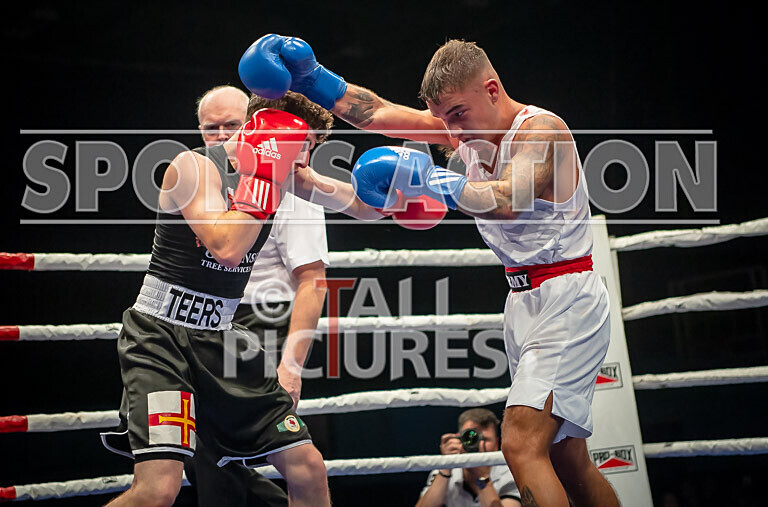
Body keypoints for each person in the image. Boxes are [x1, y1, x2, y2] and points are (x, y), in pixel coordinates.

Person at [240, 35, 619, 507]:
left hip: (568, 297)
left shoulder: (541, 132)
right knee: (567, 460)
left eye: (457, 114)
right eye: (441, 118)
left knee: (520, 444)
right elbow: (374, 114)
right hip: (524, 300)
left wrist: (431, 177)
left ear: (493, 89)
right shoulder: (459, 128)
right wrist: (311, 83)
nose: (449, 130)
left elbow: (507, 199)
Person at [100, 91, 388, 507]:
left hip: (220, 339)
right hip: (160, 342)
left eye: (307, 150)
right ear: (270, 136)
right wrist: (267, 175)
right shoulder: (193, 167)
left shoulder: (288, 173)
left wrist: (404, 195)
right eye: (299, 148)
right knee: (158, 490)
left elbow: (362, 207)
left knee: (308, 468)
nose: (304, 162)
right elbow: (226, 245)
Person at [187, 85, 331, 507]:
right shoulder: (201, 181)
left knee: (302, 466)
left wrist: (291, 366)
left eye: (232, 125)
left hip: (258, 328)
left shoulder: (288, 180)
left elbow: (313, 280)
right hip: (199, 330)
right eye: (210, 129)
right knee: (212, 466)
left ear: (254, 125)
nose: (221, 136)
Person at [418, 408, 520, 507]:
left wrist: (482, 478)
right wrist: (446, 466)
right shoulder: (443, 471)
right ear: (458, 438)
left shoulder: (510, 474)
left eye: (484, 439)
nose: (477, 444)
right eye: (470, 438)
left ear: (496, 444)